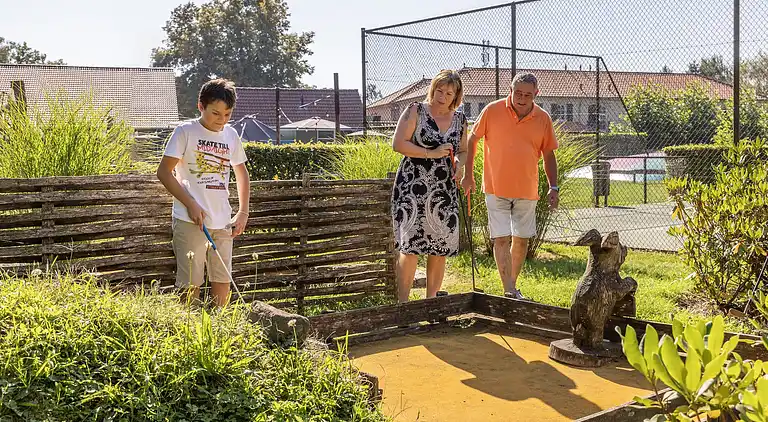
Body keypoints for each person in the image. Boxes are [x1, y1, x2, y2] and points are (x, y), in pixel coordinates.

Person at [461, 72, 559, 300]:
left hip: (527, 188)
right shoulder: (492, 110)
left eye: (527, 94)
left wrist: (553, 187)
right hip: (495, 187)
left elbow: (548, 154)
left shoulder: (543, 118)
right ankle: (509, 289)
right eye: (518, 93)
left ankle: (511, 288)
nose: (522, 98)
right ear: (511, 90)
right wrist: (468, 175)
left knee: (522, 240)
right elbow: (473, 139)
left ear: (536, 94)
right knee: (501, 238)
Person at [156, 78, 250, 307]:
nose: (222, 120)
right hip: (191, 220)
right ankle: (190, 333)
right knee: (191, 284)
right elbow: (164, 173)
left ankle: (219, 332)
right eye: (215, 113)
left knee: (222, 280)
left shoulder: (231, 136)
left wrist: (243, 213)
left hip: (223, 221)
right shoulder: (185, 132)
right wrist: (190, 203)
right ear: (201, 106)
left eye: (227, 114)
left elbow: (242, 173)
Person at [391, 69, 468, 303]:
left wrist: (459, 163)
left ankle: (430, 304)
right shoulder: (416, 110)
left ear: (456, 96)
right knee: (411, 248)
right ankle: (403, 306)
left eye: (448, 93)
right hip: (412, 188)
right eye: (439, 90)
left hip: (444, 191)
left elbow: (463, 150)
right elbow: (398, 144)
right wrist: (430, 153)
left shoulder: (460, 119)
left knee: (439, 249)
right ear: (432, 88)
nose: (442, 96)